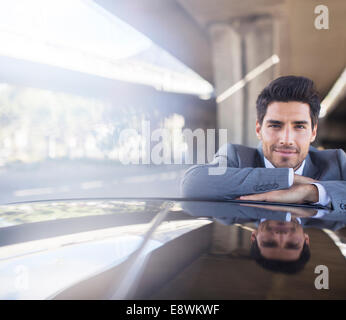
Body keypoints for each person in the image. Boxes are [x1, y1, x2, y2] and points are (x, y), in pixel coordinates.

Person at [181, 75, 346, 211]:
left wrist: (312, 192)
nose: (286, 139)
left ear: (313, 132)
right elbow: (193, 183)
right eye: (275, 125)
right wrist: (287, 178)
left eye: (299, 126)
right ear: (259, 129)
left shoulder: (336, 162)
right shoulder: (236, 157)